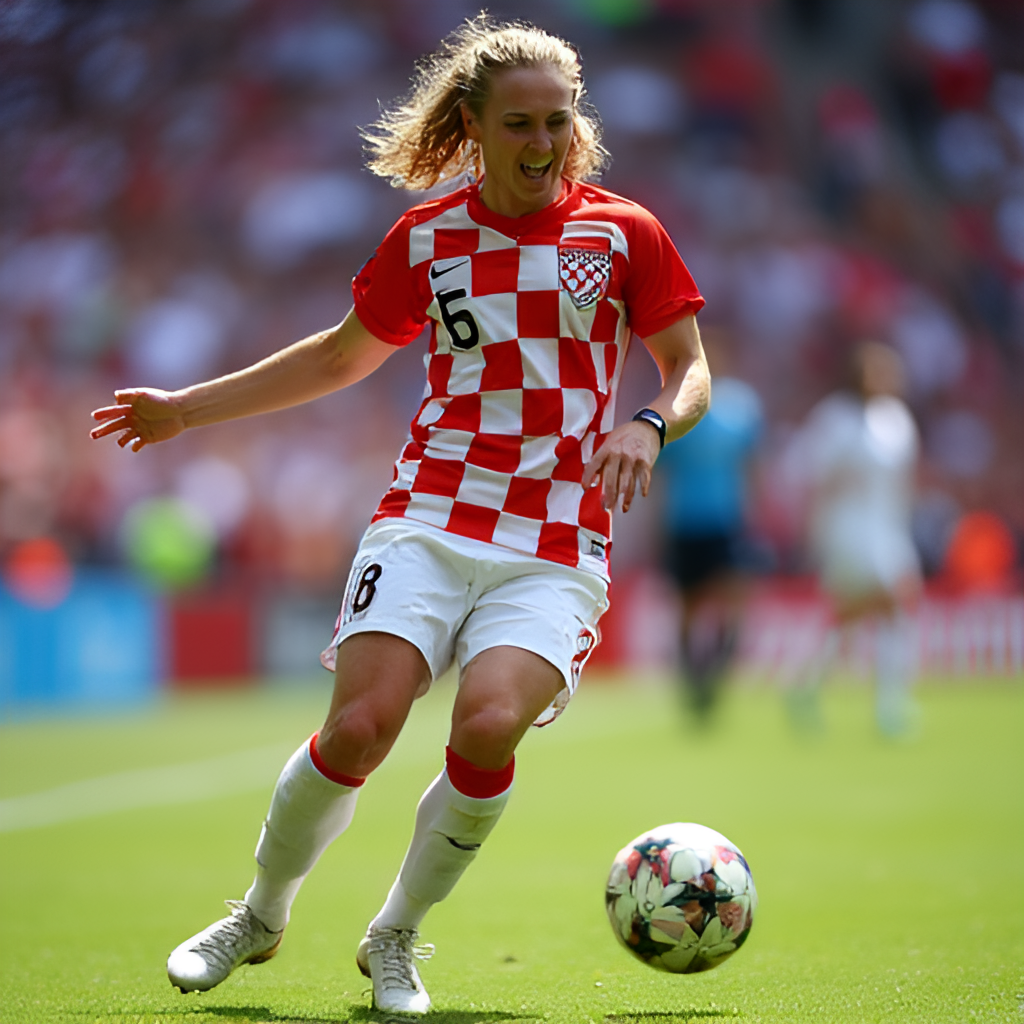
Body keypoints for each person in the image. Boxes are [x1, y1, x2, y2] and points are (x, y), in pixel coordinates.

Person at [91, 16, 710, 1016]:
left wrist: (647, 423)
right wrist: (184, 410)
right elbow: (339, 357)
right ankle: (259, 911)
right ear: (470, 123)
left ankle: (395, 937)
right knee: (361, 727)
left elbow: (689, 371)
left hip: (553, 542)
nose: (542, 141)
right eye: (518, 123)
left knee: (491, 721)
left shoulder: (622, 231)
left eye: (557, 119)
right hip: (428, 514)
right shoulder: (427, 239)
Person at [788, 341, 921, 736]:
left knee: (869, 614)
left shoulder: (897, 420)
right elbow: (808, 473)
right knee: (891, 599)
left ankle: (809, 687)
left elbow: (905, 483)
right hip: (846, 528)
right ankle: (890, 709)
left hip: (888, 528)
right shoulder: (835, 419)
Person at [654, 332, 763, 716]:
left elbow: (753, 466)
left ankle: (715, 670)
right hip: (685, 522)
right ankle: (691, 680)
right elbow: (662, 471)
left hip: (727, 520)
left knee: (734, 600)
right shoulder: (679, 410)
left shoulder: (742, 409)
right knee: (689, 607)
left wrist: (758, 513)